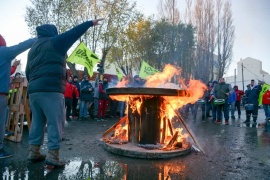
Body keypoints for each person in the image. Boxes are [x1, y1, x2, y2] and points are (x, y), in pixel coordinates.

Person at [25, 18, 104, 167]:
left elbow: (28, 71)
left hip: (34, 91)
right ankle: (53, 156)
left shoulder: (32, 49)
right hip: (51, 90)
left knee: (37, 122)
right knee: (55, 122)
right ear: (52, 32)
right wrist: (89, 23)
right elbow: (73, 33)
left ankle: (33, 152)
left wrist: (34, 85)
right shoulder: (55, 42)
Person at [0, 34, 36, 158]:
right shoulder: (4, 52)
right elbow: (22, 46)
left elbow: (6, 70)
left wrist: (14, 66)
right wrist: (37, 38)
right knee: (0, 121)